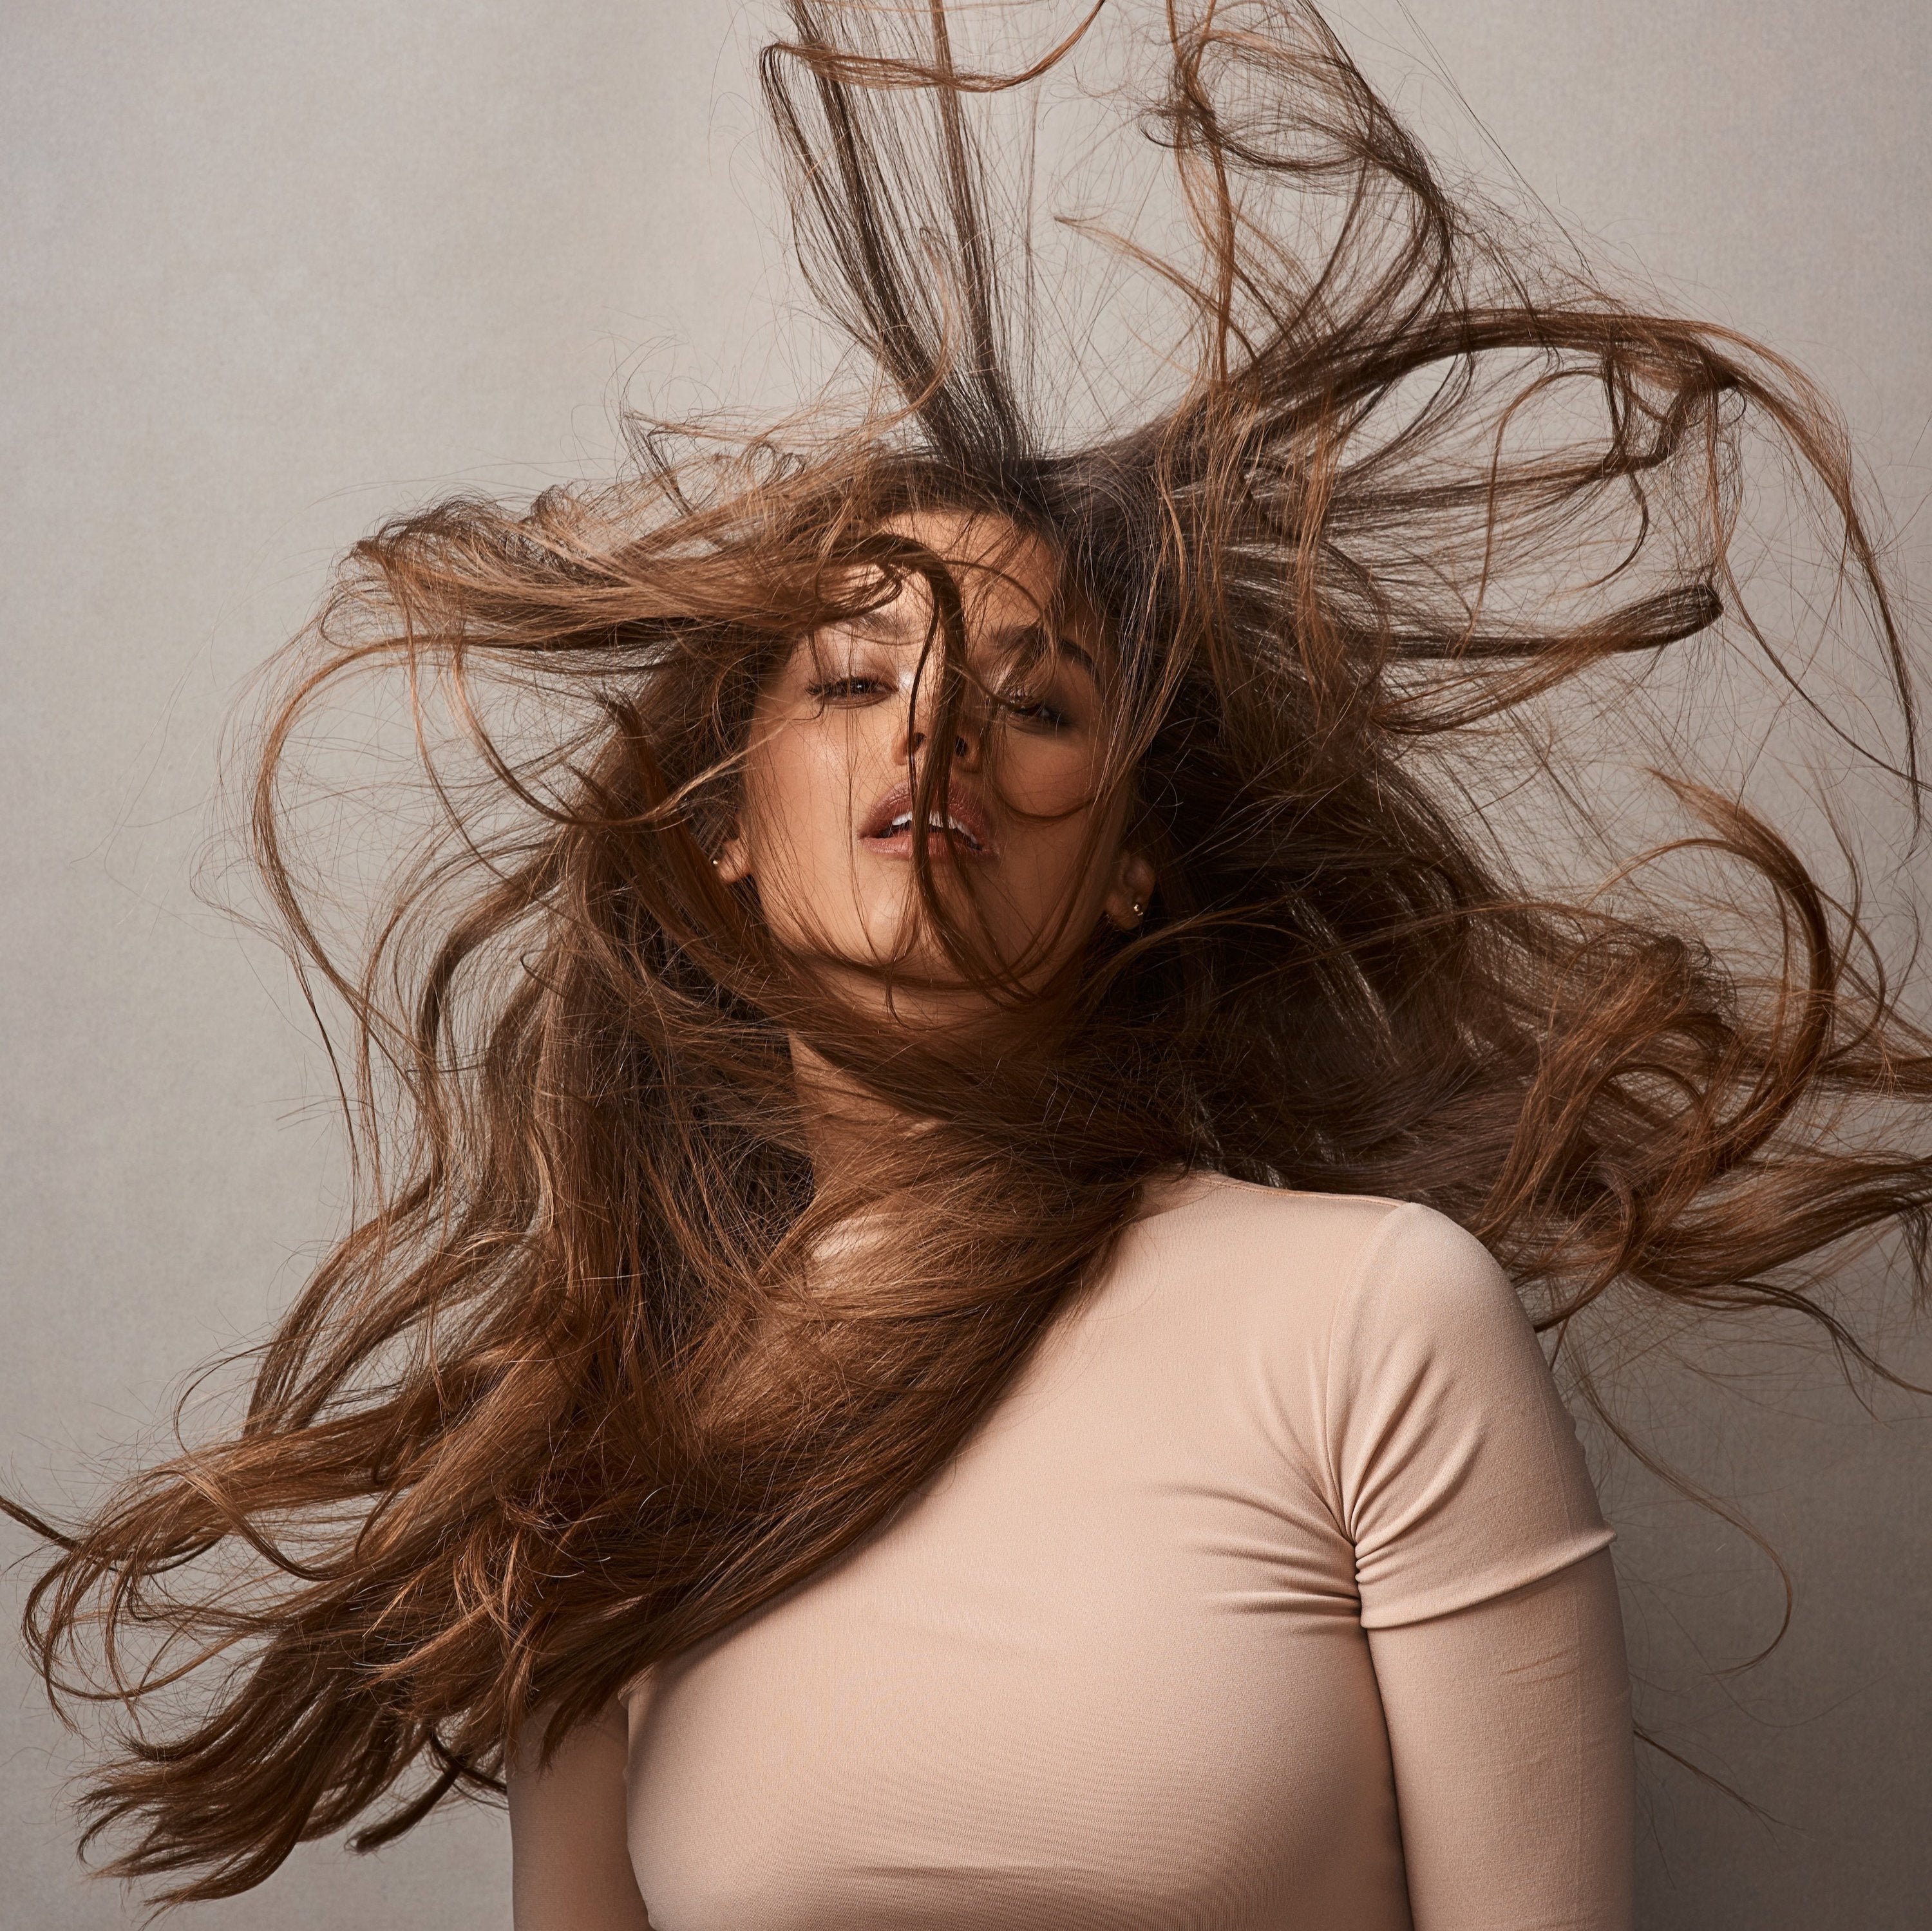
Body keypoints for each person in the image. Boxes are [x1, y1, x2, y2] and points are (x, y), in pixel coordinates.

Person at [8, 5, 1927, 1928]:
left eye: (1040, 702)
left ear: (1132, 863)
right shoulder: (609, 1424)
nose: (934, 728)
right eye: (854, 680)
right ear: (724, 818)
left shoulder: (1370, 1323)